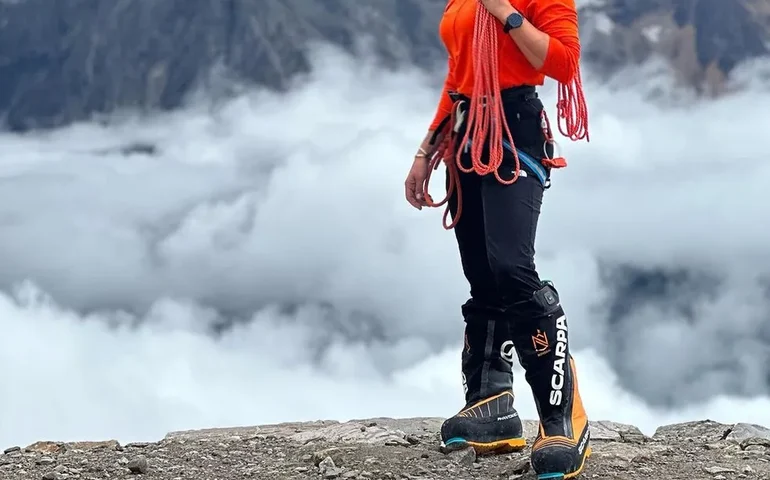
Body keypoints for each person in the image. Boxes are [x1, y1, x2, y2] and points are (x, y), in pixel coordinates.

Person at [403, 0, 591, 479]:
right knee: (483, 275)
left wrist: (503, 11)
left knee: (512, 266)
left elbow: (562, 62)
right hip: (468, 132)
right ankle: (491, 404)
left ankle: (561, 417)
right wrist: (428, 148)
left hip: (514, 130)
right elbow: (458, 76)